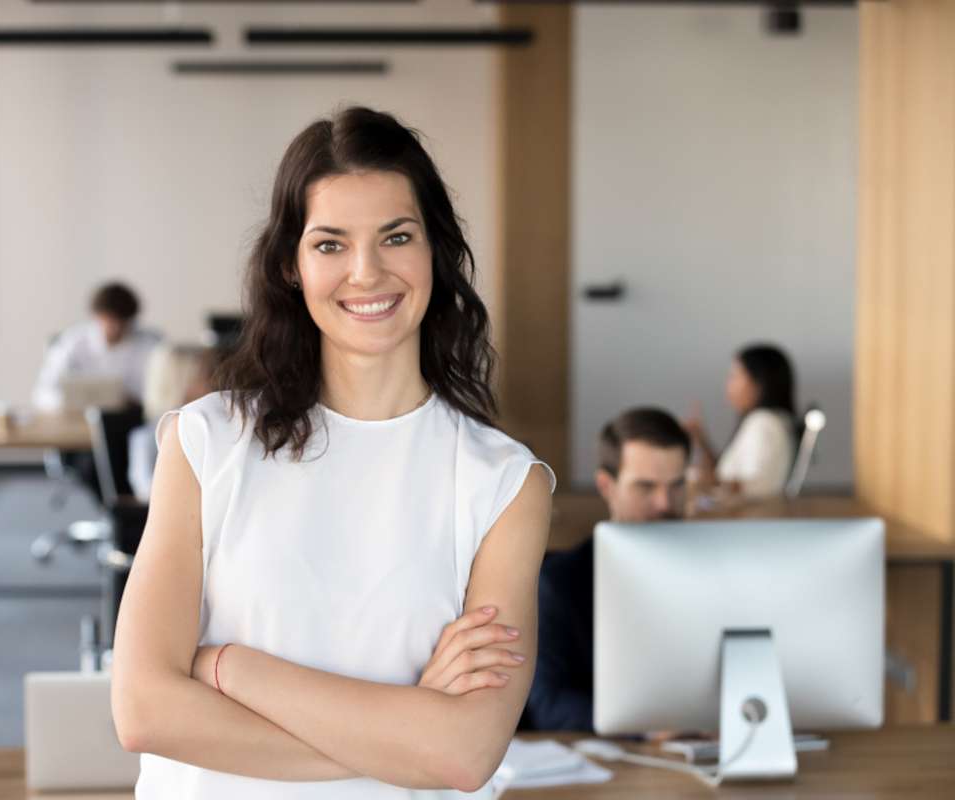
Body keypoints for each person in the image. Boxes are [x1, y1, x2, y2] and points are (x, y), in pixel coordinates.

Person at [110, 107, 556, 798]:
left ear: (435, 249)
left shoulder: (502, 484)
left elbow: (466, 755)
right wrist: (407, 738)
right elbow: (142, 710)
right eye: (330, 244)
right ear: (291, 264)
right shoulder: (205, 442)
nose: (366, 272)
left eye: (396, 237)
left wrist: (230, 669)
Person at [524, 408, 690, 731]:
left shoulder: (713, 575)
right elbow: (547, 704)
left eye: (677, 485)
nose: (664, 504)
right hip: (614, 763)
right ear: (606, 486)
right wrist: (647, 727)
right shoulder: (561, 584)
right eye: (645, 487)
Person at [685, 343, 798, 500]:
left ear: (759, 382)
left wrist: (700, 479)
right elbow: (725, 472)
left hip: (748, 520)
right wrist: (701, 441)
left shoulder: (764, 423)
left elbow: (760, 486)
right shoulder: (766, 421)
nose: (728, 386)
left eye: (734, 376)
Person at [31, 282, 162, 412]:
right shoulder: (73, 342)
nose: (115, 328)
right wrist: (73, 402)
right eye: (109, 320)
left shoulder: (150, 345)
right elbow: (43, 393)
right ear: (96, 316)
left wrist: (131, 401)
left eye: (121, 322)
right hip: (76, 420)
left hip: (131, 420)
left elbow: (161, 397)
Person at [127, 344, 215, 502]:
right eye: (202, 377)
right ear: (180, 381)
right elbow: (145, 491)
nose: (211, 382)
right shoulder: (145, 438)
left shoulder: (210, 428)